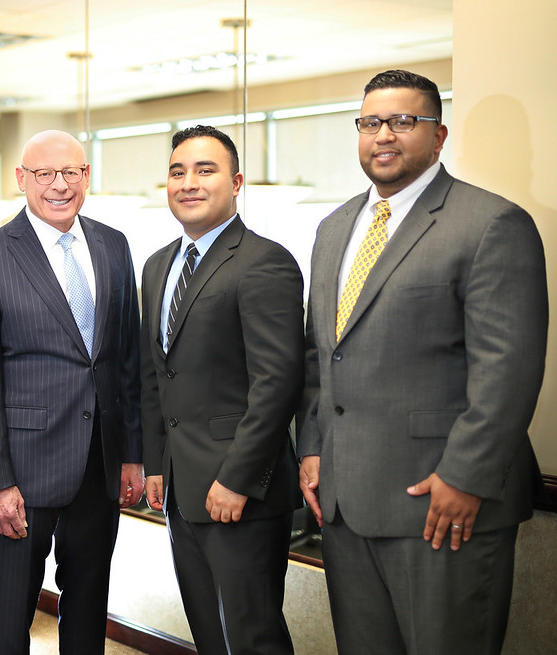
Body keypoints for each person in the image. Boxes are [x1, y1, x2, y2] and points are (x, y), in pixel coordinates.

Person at [297, 69, 548, 654]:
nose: (383, 134)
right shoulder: (333, 229)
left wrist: (466, 476)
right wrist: (311, 446)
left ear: (437, 136)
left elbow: (507, 369)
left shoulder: (490, 224)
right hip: (344, 505)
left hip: (443, 504)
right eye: (370, 122)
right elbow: (320, 356)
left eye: (403, 121)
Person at [0, 129, 144, 654]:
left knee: (87, 607)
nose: (60, 185)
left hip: (98, 465)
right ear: (21, 179)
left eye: (72, 173)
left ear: (87, 177)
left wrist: (131, 454)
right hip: (22, 472)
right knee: (11, 613)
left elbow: (125, 359)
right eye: (45, 174)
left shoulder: (113, 245)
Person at [140, 125, 303, 654]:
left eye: (204, 170)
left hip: (240, 492)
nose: (188, 182)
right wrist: (156, 464)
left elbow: (277, 384)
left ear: (236, 183)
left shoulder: (265, 261)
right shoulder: (157, 264)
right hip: (182, 489)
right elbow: (156, 373)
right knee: (210, 636)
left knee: (252, 638)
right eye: (177, 171)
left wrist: (237, 479)